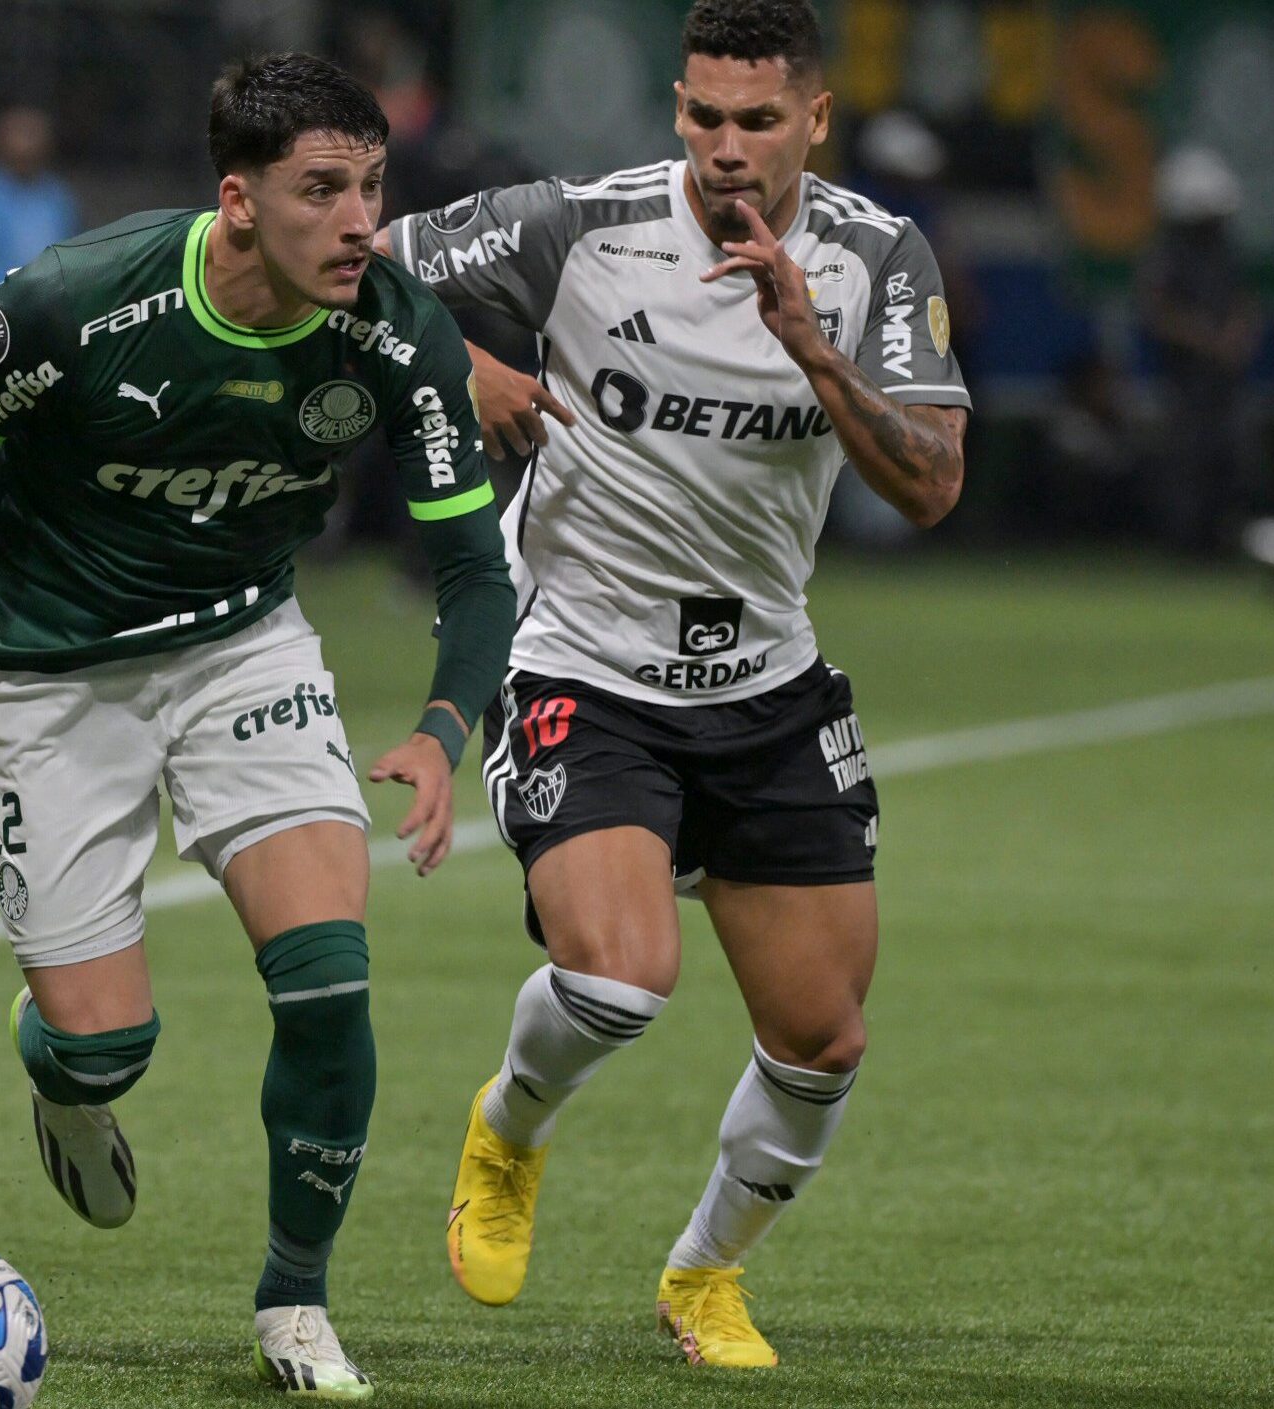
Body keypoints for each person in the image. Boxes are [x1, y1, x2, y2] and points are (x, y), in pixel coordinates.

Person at [0, 53, 514, 1399]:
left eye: (370, 189)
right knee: (108, 1045)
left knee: (328, 980)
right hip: (46, 673)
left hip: (239, 648)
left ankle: (294, 1302)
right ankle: (61, 1072)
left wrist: (444, 729)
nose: (357, 224)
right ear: (236, 199)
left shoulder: (391, 331)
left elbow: (473, 569)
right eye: (319, 192)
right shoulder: (75, 307)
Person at [378, 0, 969, 1368]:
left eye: (756, 120)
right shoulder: (576, 226)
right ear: (674, 111)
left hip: (765, 678)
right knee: (619, 979)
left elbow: (930, 484)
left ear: (814, 121)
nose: (723, 147)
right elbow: (345, 263)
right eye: (701, 115)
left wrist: (807, 342)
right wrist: (457, 361)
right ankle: (507, 1132)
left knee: (820, 1037)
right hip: (585, 658)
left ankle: (700, 1275)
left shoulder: (874, 256)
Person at [1135, 146, 1259, 553]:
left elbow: (1242, 301)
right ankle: (1184, 548)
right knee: (1185, 462)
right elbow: (1158, 313)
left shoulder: (1224, 251)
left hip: (1225, 381)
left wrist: (1237, 335)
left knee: (1233, 459)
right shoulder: (1167, 253)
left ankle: (1224, 542)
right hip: (1184, 379)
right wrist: (1207, 340)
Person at [0, 105, 82, 300]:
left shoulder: (57, 195)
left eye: (32, 134)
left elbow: (71, 254)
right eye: (18, 133)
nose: (25, 144)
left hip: (48, 306)